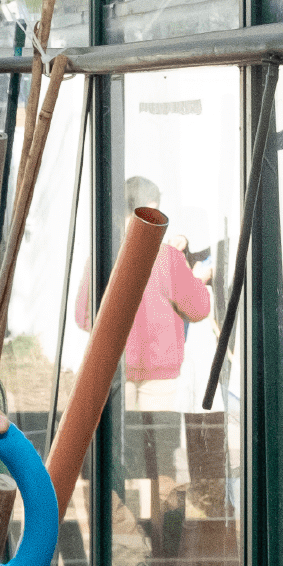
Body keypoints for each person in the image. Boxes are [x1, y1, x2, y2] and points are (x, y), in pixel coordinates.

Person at [73, 175, 213, 412]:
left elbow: (82, 316)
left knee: (115, 443)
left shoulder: (100, 255)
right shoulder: (167, 257)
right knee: (157, 442)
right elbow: (199, 309)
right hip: (160, 369)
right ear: (151, 209)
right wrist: (198, 280)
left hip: (113, 364)